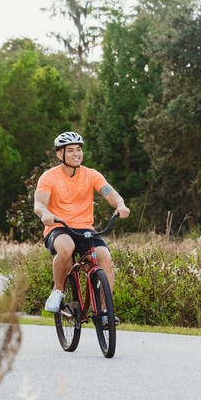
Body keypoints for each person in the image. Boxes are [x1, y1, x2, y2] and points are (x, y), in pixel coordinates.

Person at [34, 131, 130, 318]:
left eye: (79, 149)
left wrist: (120, 205)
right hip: (58, 227)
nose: (76, 154)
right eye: (70, 150)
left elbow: (110, 193)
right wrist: (45, 213)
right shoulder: (49, 177)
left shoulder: (91, 175)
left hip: (85, 228)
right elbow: (39, 203)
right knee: (67, 247)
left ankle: (103, 311)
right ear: (59, 155)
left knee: (105, 258)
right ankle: (58, 291)